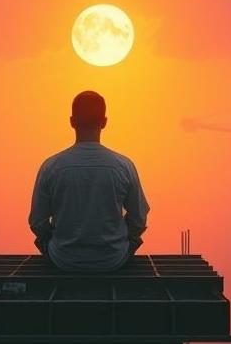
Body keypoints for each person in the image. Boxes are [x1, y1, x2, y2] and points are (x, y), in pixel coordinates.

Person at [28, 90, 150, 271]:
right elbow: (139, 219)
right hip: (113, 259)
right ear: (104, 122)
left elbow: (37, 222)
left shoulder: (51, 167)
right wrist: (120, 236)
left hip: (63, 259)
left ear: (72, 122)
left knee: (42, 240)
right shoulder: (124, 166)